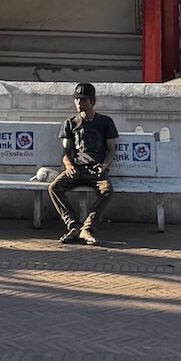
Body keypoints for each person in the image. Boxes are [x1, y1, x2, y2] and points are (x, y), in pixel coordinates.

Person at [48, 83, 118, 245]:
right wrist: (69, 166)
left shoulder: (105, 122)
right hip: (77, 169)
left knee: (107, 190)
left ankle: (87, 228)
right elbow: (65, 153)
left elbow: (111, 151)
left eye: (82, 99)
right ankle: (72, 226)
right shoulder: (70, 123)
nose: (78, 103)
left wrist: (104, 166)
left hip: (96, 170)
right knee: (54, 188)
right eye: (76, 99)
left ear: (92, 101)